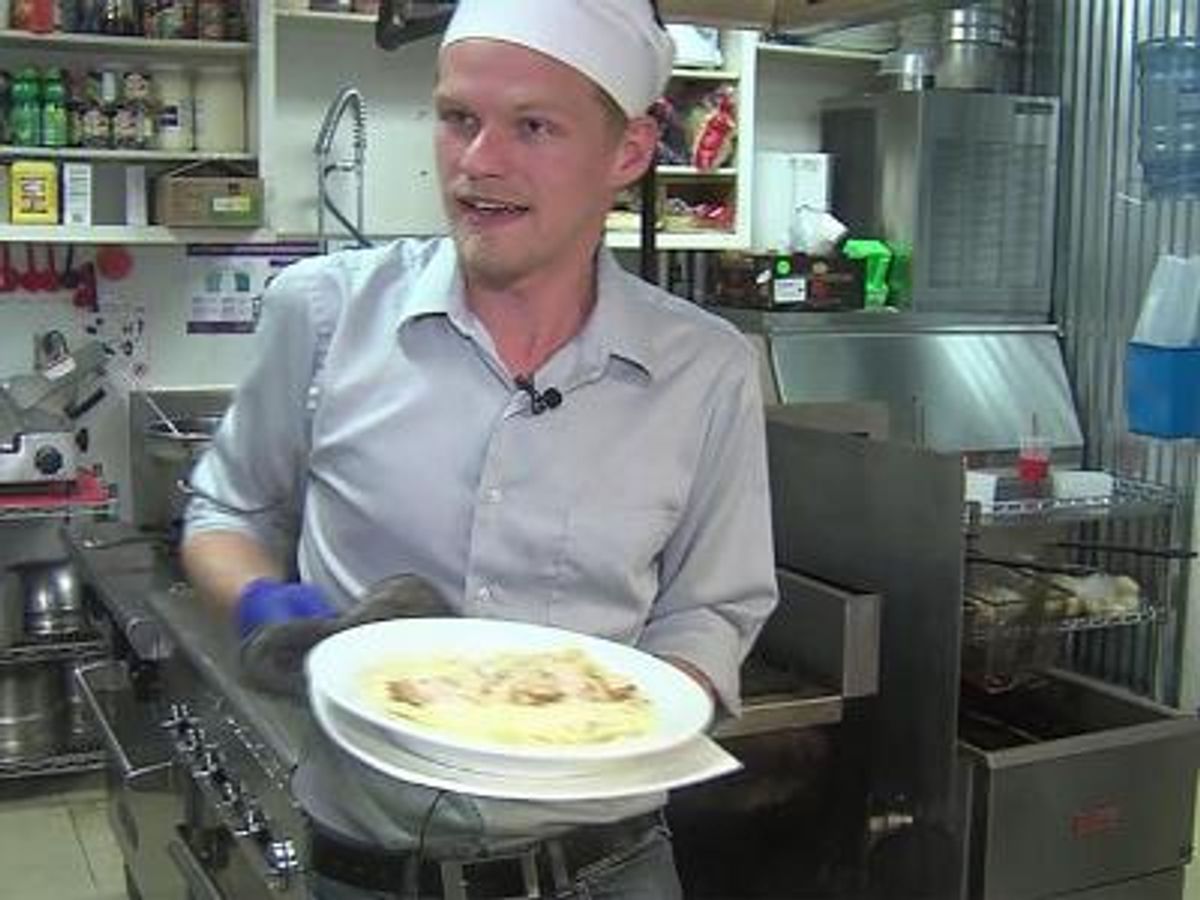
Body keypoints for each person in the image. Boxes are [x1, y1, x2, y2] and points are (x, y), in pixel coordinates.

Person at [181, 1, 777, 897]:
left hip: (608, 868)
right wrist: (261, 602)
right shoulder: (324, 314)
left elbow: (714, 607)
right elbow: (227, 508)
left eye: (533, 126)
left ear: (629, 151)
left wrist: (619, 718)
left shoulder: (704, 369)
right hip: (369, 871)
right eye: (459, 117)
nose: (478, 162)